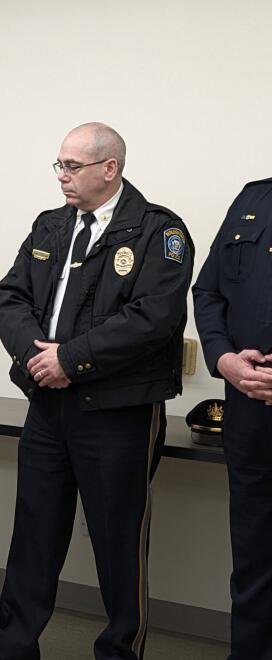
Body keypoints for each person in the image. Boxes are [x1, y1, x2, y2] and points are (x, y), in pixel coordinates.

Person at [0, 123, 194, 660]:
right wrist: (37, 357)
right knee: (34, 534)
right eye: (59, 165)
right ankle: (12, 648)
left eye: (71, 166)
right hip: (48, 405)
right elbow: (10, 296)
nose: (62, 177)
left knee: (118, 541)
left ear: (110, 168)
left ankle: (120, 653)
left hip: (118, 413)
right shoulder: (51, 226)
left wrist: (70, 360)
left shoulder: (158, 232)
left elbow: (154, 319)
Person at [193, 179, 272, 660]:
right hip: (249, 416)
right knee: (254, 560)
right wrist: (222, 358)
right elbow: (209, 291)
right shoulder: (251, 198)